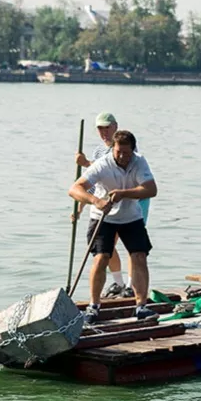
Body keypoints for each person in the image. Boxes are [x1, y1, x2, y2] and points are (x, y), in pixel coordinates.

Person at [68, 130, 159, 322]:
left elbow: (151, 189)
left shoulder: (139, 162)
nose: (122, 157)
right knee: (101, 258)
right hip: (103, 217)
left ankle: (141, 306)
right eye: (118, 152)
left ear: (133, 150)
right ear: (113, 150)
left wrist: (124, 193)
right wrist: (95, 201)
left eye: (126, 153)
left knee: (139, 256)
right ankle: (94, 307)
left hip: (131, 217)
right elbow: (75, 189)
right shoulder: (103, 164)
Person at [74, 112, 151, 298]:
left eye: (107, 127)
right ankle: (118, 283)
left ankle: (132, 289)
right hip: (106, 204)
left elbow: (118, 166)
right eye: (100, 128)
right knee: (105, 251)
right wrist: (81, 207)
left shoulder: (126, 147)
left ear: (115, 127)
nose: (104, 132)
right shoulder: (99, 151)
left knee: (134, 250)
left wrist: (85, 163)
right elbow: (97, 182)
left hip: (134, 201)